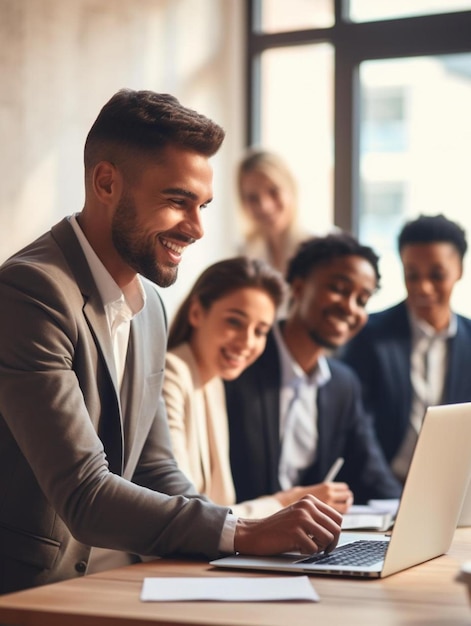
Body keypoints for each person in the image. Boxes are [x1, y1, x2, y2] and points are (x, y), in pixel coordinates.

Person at [0, 89, 342, 594]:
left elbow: (156, 467)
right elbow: (84, 494)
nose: (198, 227)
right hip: (34, 591)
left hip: (128, 577)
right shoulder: (31, 293)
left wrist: (244, 541)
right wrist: (242, 532)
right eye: (177, 201)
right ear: (106, 182)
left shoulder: (151, 306)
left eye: (203, 204)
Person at [164, 257, 354, 518]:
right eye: (234, 322)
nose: (247, 342)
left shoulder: (213, 383)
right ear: (196, 313)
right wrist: (286, 502)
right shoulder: (171, 374)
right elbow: (184, 512)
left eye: (260, 331)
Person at [225, 233, 402, 507]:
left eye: (362, 300)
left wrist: (410, 515)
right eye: (339, 289)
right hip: (236, 535)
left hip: (302, 543)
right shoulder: (241, 359)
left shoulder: (343, 384)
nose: (349, 308)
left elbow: (374, 475)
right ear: (297, 287)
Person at [341, 214, 471, 482]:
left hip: (457, 488)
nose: (423, 287)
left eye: (437, 275)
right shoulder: (369, 336)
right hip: (382, 490)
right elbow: (358, 430)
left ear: (459, 270)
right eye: (412, 275)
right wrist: (391, 494)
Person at [235, 149, 311, 274]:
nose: (265, 206)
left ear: (291, 188)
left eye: (273, 191)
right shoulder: (244, 253)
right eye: (253, 198)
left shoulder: (321, 248)